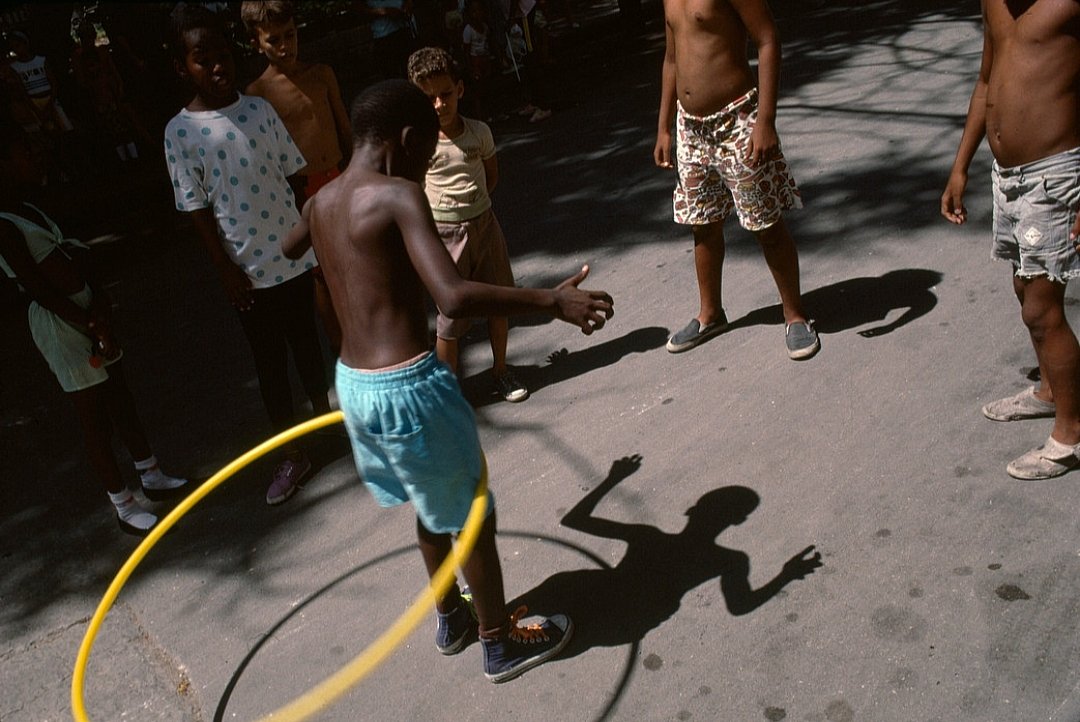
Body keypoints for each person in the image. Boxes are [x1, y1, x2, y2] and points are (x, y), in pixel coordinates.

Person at [282, 79, 613, 681]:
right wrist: (551, 301)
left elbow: (289, 245)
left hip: (354, 386)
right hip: (409, 383)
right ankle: (498, 640)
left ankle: (451, 614)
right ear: (407, 141)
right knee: (473, 513)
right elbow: (453, 298)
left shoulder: (323, 202)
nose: (426, 165)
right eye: (427, 152)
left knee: (431, 504)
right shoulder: (399, 196)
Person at [164, 5, 331, 505]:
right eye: (202, 59)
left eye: (221, 55)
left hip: (294, 257)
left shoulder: (259, 110)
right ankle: (292, 452)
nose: (217, 67)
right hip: (249, 271)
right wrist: (226, 272)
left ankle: (326, 429)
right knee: (270, 363)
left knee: (308, 346)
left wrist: (313, 240)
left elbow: (294, 177)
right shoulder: (180, 133)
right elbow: (197, 211)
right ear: (182, 68)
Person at [0, 124, 188, 536]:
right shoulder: (4, 224)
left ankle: (151, 473)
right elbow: (38, 287)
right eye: (24, 151)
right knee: (95, 416)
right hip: (63, 322)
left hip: (88, 310)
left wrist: (99, 307)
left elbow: (73, 258)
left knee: (121, 398)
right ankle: (123, 504)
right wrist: (88, 322)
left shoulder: (30, 207)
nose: (35, 156)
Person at [941, 0, 1080, 480]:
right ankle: (1049, 391)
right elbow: (986, 82)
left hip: (1056, 175)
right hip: (1008, 176)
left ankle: (1070, 435)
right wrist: (961, 166)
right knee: (1024, 289)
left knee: (1041, 309)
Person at [654, 0, 819, 360]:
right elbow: (671, 58)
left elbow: (767, 38)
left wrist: (765, 120)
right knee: (702, 223)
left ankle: (795, 315)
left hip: (738, 120)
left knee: (765, 223)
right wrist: (664, 128)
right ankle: (711, 314)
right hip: (691, 129)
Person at [407, 46, 528, 402]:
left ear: (459, 89)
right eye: (429, 98)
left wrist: (476, 210)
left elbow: (491, 176)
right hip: (445, 237)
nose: (439, 105)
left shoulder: (479, 133)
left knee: (499, 301)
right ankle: (450, 396)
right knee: (451, 316)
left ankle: (502, 371)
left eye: (445, 94)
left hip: (485, 227)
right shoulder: (419, 143)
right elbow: (412, 191)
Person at [240, 0, 353, 354]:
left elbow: (345, 129)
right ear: (255, 42)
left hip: (338, 177)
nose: (285, 45)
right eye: (274, 40)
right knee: (321, 274)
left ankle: (369, 339)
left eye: (289, 35)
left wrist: (358, 173)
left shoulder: (321, 74)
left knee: (356, 262)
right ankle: (343, 352)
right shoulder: (257, 94)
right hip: (300, 190)